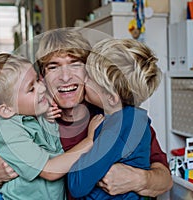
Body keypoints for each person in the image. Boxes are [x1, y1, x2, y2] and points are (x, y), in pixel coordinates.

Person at [0, 28, 173, 198]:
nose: (65, 77)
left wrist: (139, 179)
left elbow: (165, 179)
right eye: (53, 66)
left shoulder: (115, 116)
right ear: (41, 77)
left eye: (75, 64)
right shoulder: (30, 123)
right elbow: (1, 189)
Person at [0, 53, 104, 200]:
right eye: (31, 89)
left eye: (37, 80)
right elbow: (49, 171)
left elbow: (52, 147)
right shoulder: (8, 131)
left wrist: (46, 119)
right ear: (7, 110)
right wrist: (90, 141)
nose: (41, 88)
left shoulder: (34, 113)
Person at [67, 38, 162, 199]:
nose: (83, 80)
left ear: (111, 98)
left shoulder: (117, 129)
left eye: (89, 78)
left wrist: (90, 140)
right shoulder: (132, 119)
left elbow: (77, 184)